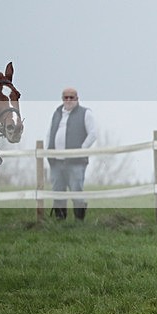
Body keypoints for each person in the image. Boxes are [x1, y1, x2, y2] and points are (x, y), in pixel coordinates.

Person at [46, 88, 97, 221]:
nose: (68, 100)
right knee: (57, 191)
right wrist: (48, 149)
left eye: (71, 97)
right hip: (56, 161)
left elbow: (93, 134)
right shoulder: (57, 113)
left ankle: (79, 221)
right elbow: (50, 132)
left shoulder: (85, 113)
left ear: (77, 98)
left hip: (76, 161)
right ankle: (60, 220)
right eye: (66, 97)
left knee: (76, 190)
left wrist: (82, 149)